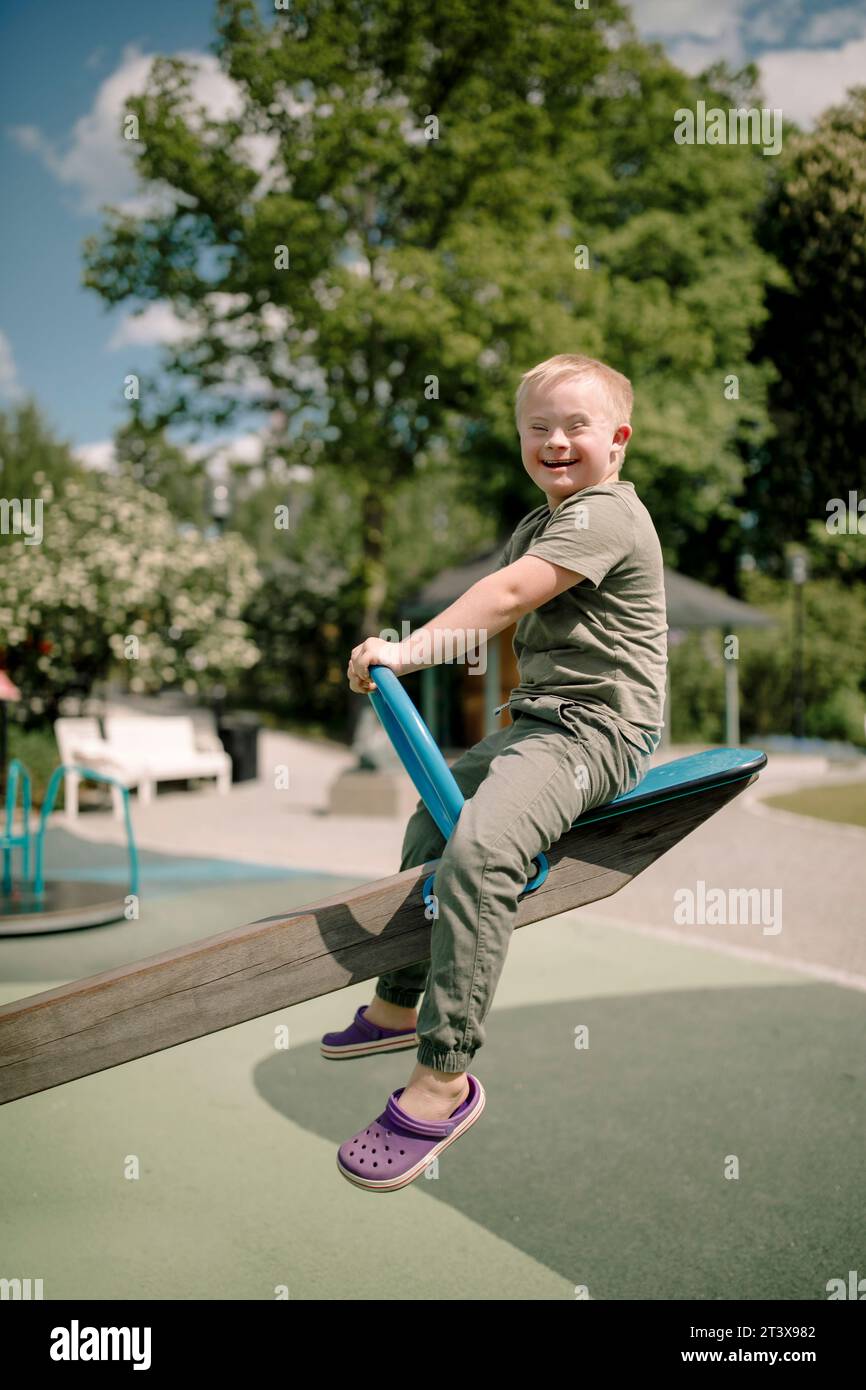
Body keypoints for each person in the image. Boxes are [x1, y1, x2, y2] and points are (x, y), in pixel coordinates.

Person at [329, 352, 668, 1190]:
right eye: (538, 428)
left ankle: (444, 1076)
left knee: (480, 852)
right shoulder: (539, 522)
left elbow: (509, 597)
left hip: (596, 731)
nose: (556, 441)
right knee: (426, 824)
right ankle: (399, 1004)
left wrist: (404, 652)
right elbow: (503, 602)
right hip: (536, 727)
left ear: (618, 441)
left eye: (576, 426)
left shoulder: (607, 515)